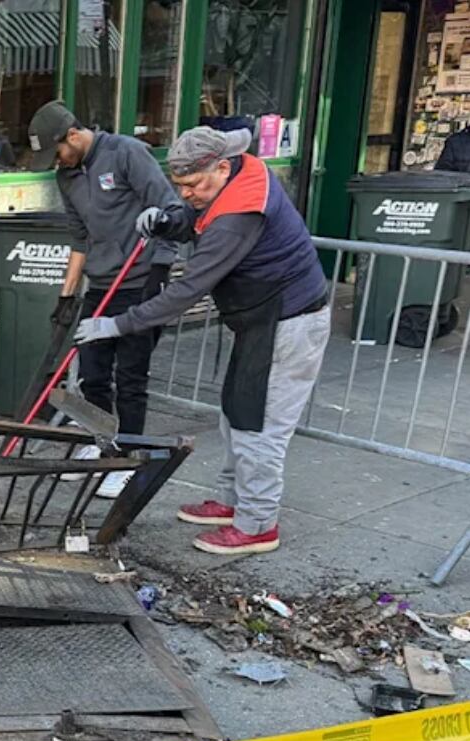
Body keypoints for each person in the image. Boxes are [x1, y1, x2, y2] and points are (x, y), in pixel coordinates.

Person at [74, 126, 331, 555]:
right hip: (262, 320)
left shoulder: (238, 216)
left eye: (193, 184)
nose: (187, 193)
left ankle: (257, 524)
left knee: (260, 428)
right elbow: (196, 217)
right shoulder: (232, 180)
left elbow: (185, 291)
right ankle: (234, 503)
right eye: (179, 186)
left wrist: (118, 324)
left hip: (289, 323)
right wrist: (170, 221)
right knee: (237, 414)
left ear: (222, 167)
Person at [26, 100, 180, 499]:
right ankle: (101, 439)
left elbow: (168, 208)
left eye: (56, 151)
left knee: (130, 376)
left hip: (140, 281)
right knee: (93, 372)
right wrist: (66, 294)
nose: (55, 161)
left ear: (73, 135)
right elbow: (79, 238)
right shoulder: (67, 177)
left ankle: (128, 457)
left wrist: (159, 271)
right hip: (101, 284)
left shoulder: (126, 153)